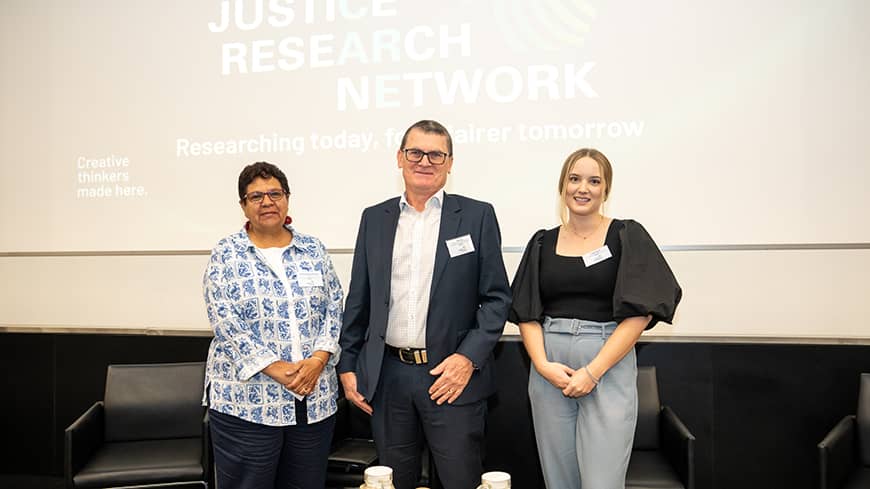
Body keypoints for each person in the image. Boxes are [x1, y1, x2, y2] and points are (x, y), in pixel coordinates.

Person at [338, 120, 512, 489]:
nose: (425, 161)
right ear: (400, 158)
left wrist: (467, 360)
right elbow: (360, 299)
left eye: (436, 154)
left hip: (451, 376)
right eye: (416, 152)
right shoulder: (374, 218)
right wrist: (348, 364)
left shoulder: (477, 216)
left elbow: (497, 299)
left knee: (459, 480)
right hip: (389, 377)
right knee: (394, 481)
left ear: (450, 163)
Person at [510, 148, 682, 489]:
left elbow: (639, 314)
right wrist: (542, 365)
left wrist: (593, 371)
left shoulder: (626, 235)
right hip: (549, 369)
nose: (582, 188)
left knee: (601, 483)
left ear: (606, 189)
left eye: (593, 180)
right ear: (563, 185)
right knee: (559, 481)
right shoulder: (542, 242)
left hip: (606, 364)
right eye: (574, 179)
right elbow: (526, 313)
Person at [202, 161, 344, 489]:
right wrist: (276, 368)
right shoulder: (226, 253)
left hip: (313, 399)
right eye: (256, 196)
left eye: (275, 193)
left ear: (287, 198)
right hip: (247, 403)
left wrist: (319, 360)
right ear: (243, 206)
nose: (267, 202)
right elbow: (224, 320)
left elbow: (334, 308)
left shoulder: (313, 249)